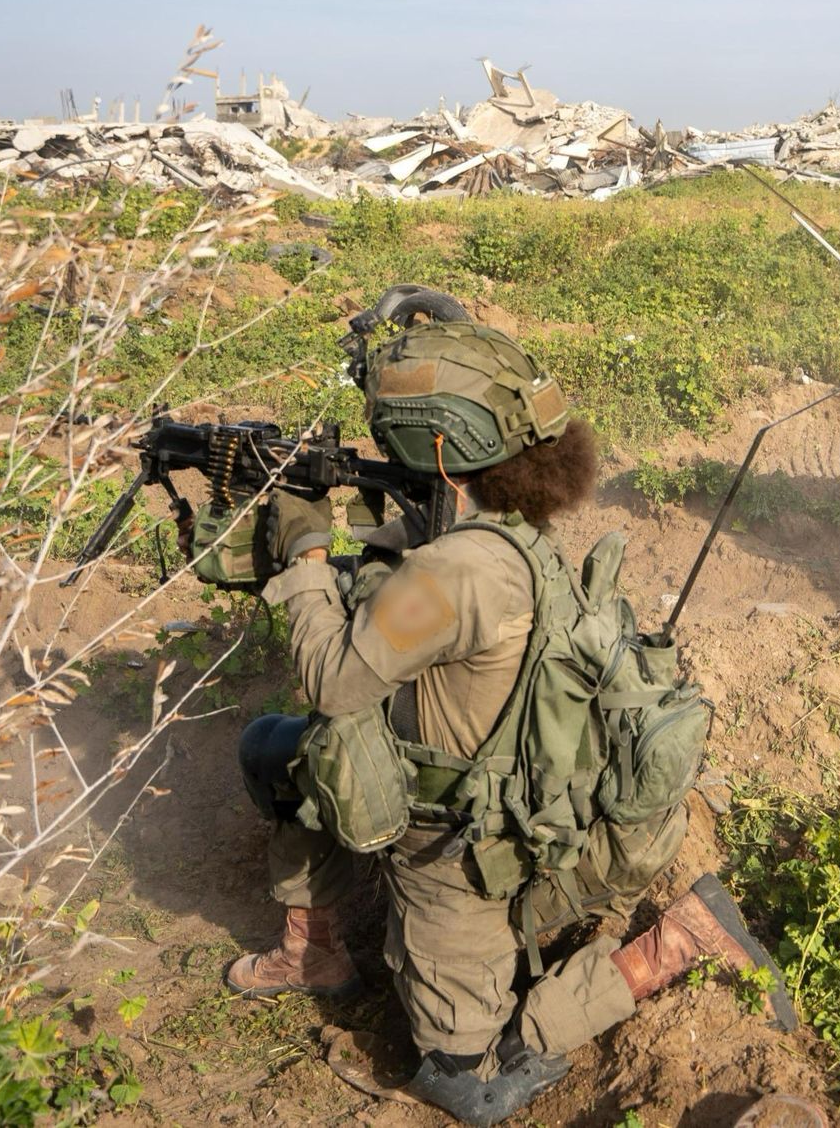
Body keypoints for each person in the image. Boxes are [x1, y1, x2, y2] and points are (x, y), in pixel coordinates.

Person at [224, 315, 792, 1126]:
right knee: (274, 759)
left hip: (457, 853)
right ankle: (309, 952)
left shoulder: (457, 573)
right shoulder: (505, 532)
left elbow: (335, 680)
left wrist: (308, 552)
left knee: (468, 1084)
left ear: (442, 450)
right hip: (525, 802)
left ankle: (672, 944)